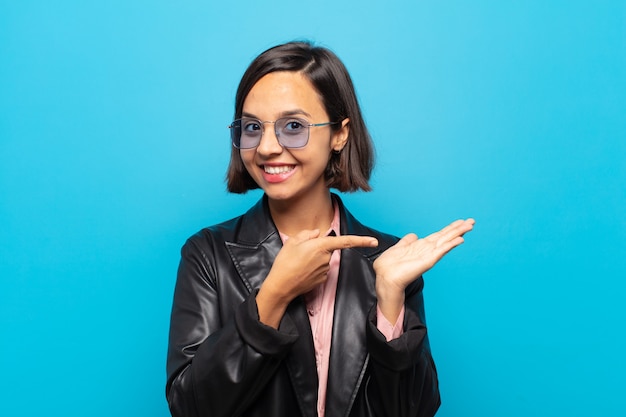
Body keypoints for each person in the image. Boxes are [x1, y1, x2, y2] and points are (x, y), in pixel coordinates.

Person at [166, 41, 474, 417]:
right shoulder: (208, 254)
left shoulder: (390, 261)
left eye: (292, 126)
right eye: (252, 128)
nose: (265, 147)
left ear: (340, 134)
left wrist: (391, 298)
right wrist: (274, 296)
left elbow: (413, 410)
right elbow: (189, 407)